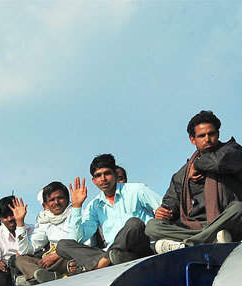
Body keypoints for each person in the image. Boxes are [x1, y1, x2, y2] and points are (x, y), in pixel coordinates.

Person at [148, 110, 242, 251]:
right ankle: (212, 238)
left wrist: (197, 165)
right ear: (193, 140)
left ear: (218, 134)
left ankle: (188, 244)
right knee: (152, 227)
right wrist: (164, 211)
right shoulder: (182, 174)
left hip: (226, 219)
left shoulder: (232, 152)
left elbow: (218, 163)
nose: (207, 139)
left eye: (211, 134)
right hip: (197, 226)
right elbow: (170, 204)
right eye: (201, 136)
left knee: (239, 207)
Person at [60, 153, 162, 271]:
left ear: (115, 174)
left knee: (134, 223)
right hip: (114, 255)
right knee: (63, 245)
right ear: (93, 180)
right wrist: (77, 207)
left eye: (107, 173)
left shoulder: (137, 190)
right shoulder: (95, 205)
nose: (103, 179)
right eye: (98, 175)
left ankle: (102, 261)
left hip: (141, 247)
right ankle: (112, 258)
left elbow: (164, 208)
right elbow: (77, 239)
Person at [15, 182, 83, 283]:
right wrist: (20, 223)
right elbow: (26, 250)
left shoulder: (77, 213)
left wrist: (56, 255)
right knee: (20, 259)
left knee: (68, 251)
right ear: (46, 204)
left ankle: (39, 276)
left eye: (60, 198)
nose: (56, 202)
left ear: (67, 199)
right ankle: (47, 275)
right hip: (51, 261)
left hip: (70, 257)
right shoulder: (45, 220)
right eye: (51, 200)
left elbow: (77, 241)